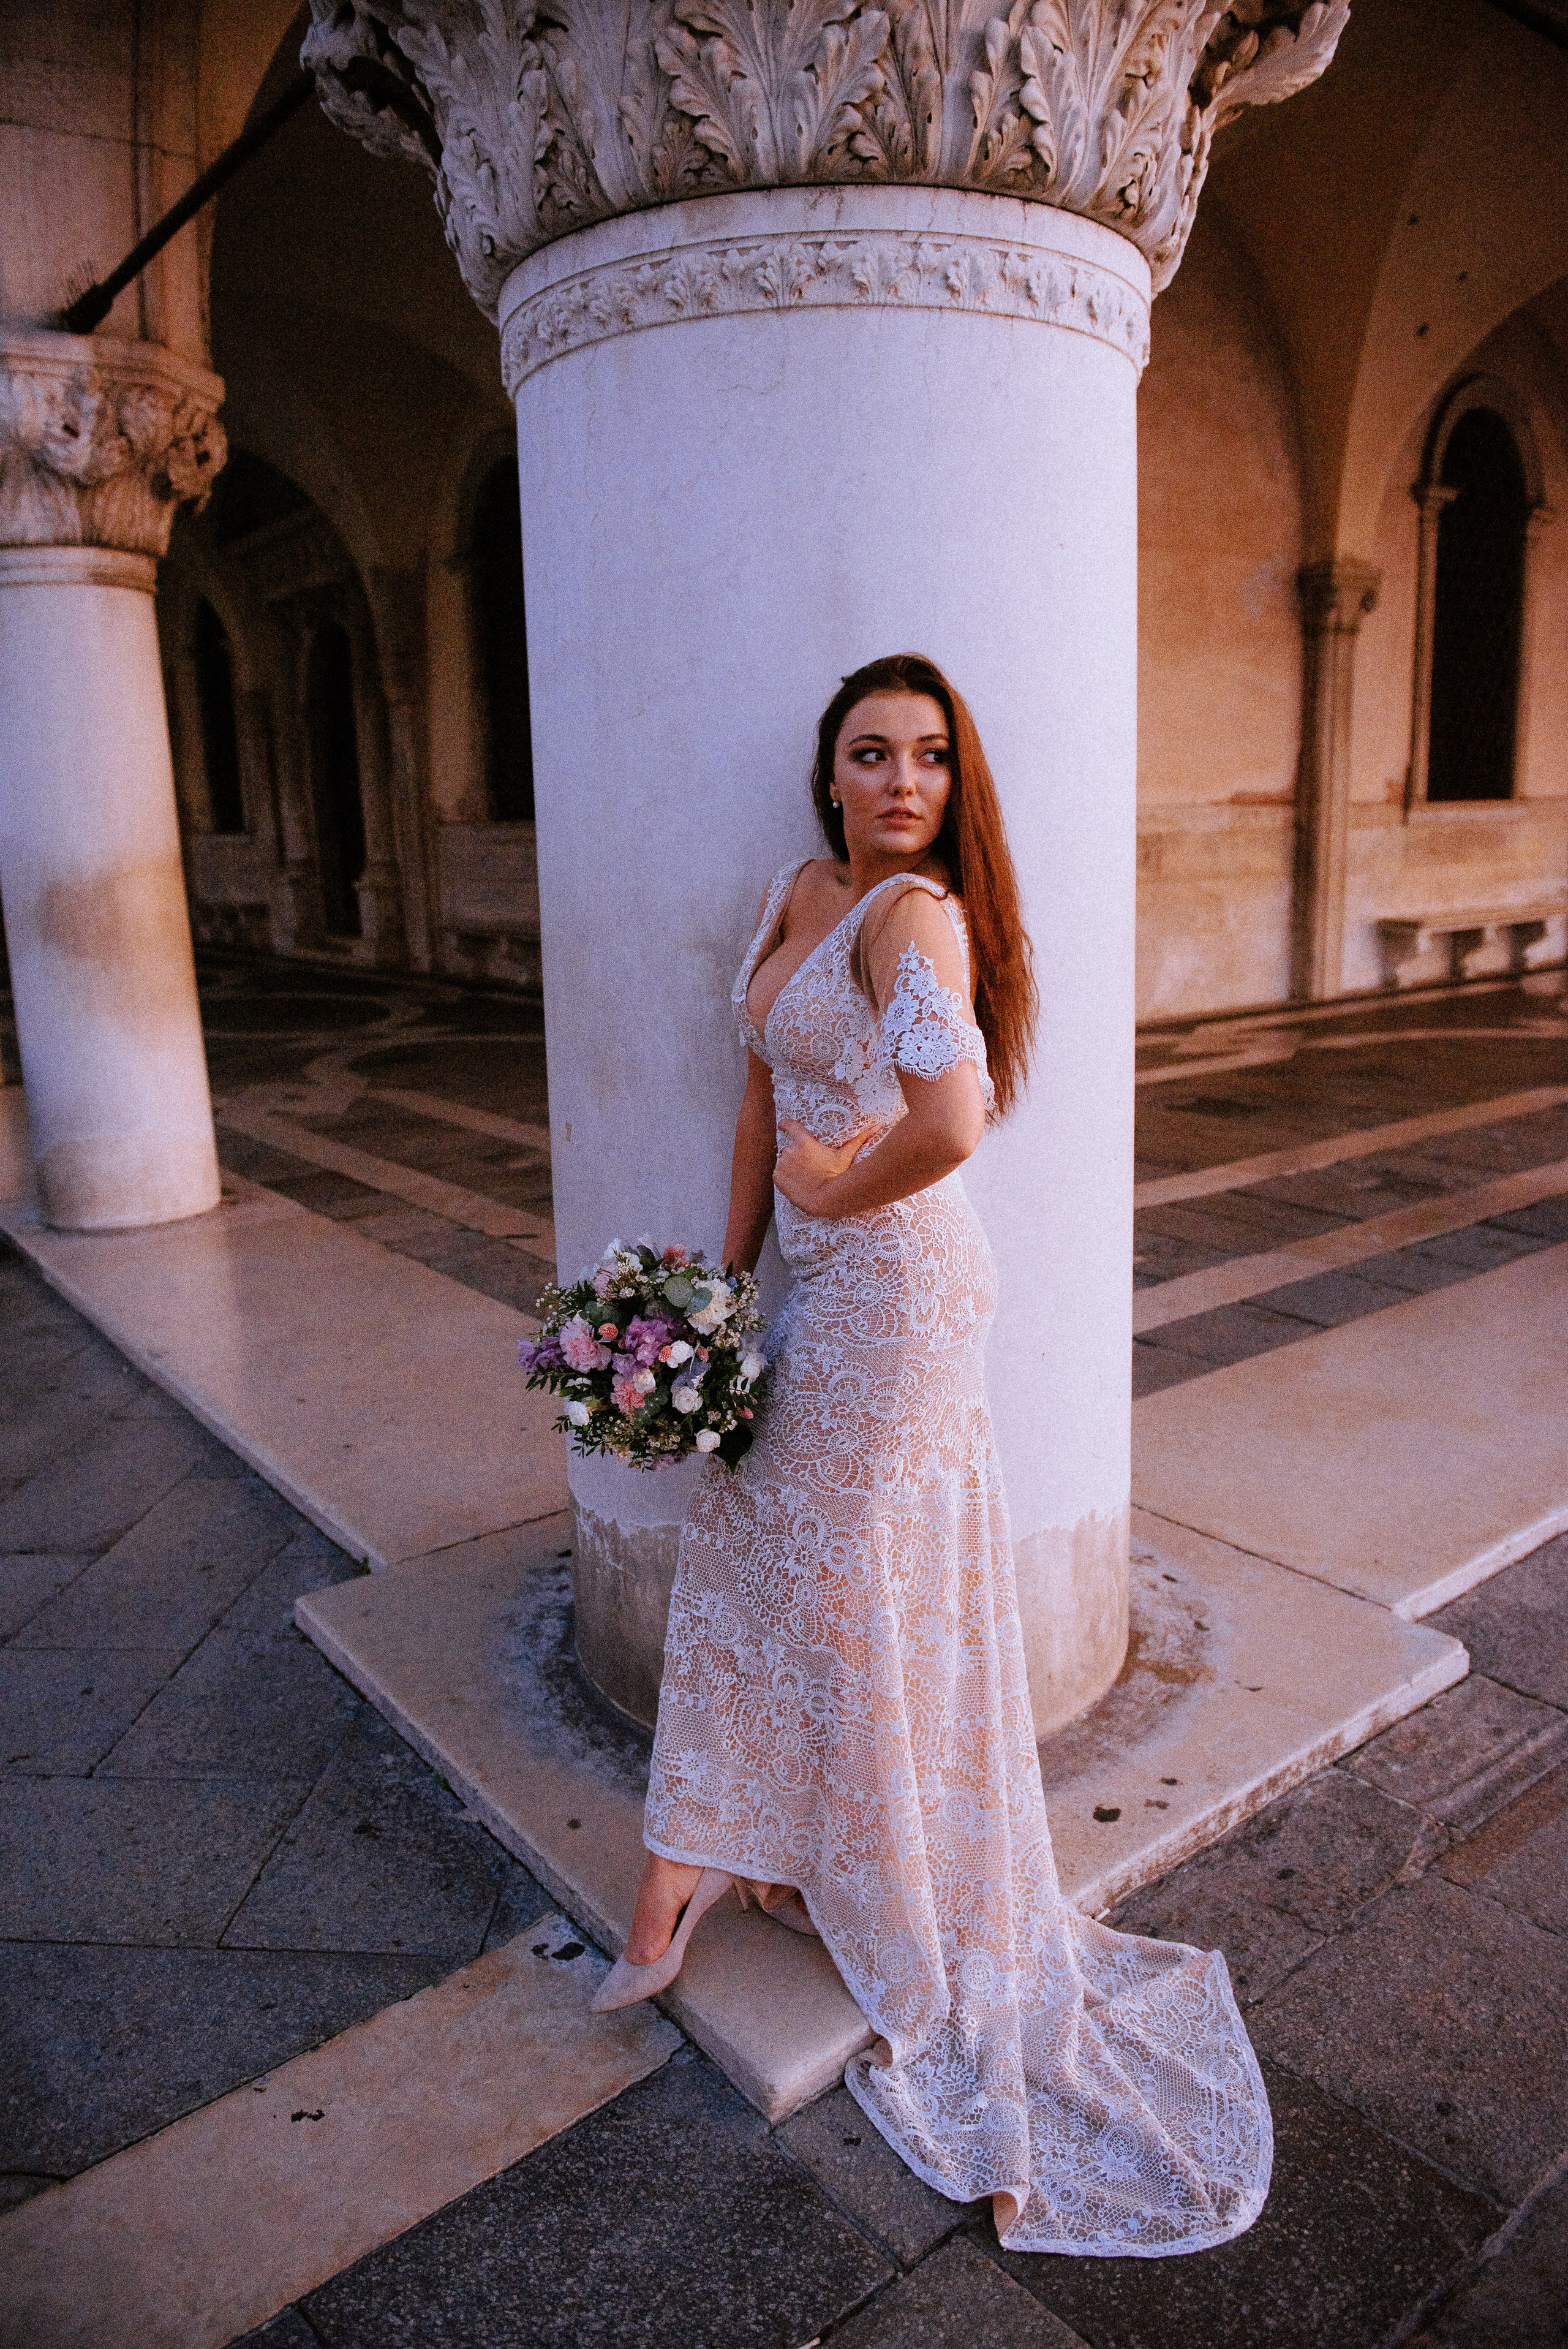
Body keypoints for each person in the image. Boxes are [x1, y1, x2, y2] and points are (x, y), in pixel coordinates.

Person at [593, 653, 1272, 2255]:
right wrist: (724, 1276)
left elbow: (951, 1120)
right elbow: (762, 1093)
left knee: (783, 1565)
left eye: (934, 761)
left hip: (901, 1292)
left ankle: (685, 1876)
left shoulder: (921, 920)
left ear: (955, 791)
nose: (906, 782)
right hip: (813, 1291)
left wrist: (841, 1201)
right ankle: (755, 1848)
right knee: (775, 1559)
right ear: (830, 773)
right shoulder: (798, 890)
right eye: (875, 753)